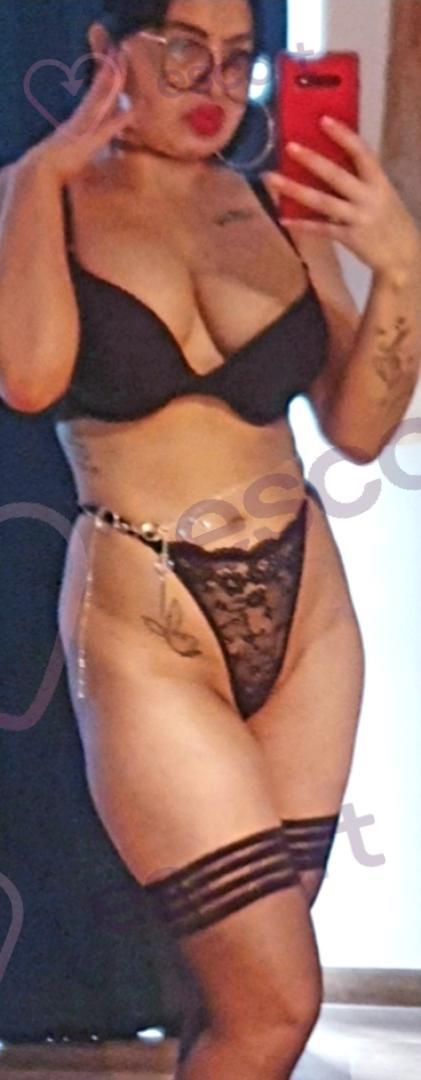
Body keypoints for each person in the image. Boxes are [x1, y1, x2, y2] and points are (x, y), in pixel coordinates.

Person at [1, 1, 420, 1076]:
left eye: (237, 59)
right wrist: (38, 177)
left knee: (228, 997)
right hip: (146, 615)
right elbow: (31, 377)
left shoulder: (276, 206)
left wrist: (402, 267)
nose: (214, 85)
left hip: (307, 621)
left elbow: (358, 428)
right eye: (183, 51)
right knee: (277, 1005)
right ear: (107, 51)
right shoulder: (49, 196)